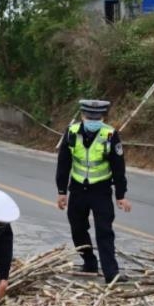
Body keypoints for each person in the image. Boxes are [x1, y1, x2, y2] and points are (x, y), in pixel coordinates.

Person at [55, 100, 132, 284]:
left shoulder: (110, 135)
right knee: (78, 229)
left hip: (101, 190)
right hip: (78, 190)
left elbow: (118, 167)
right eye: (89, 117)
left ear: (102, 118)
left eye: (96, 118)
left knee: (104, 231)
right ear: (82, 116)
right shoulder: (72, 133)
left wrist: (120, 195)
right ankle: (89, 262)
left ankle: (111, 273)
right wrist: (61, 191)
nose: (92, 120)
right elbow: (63, 164)